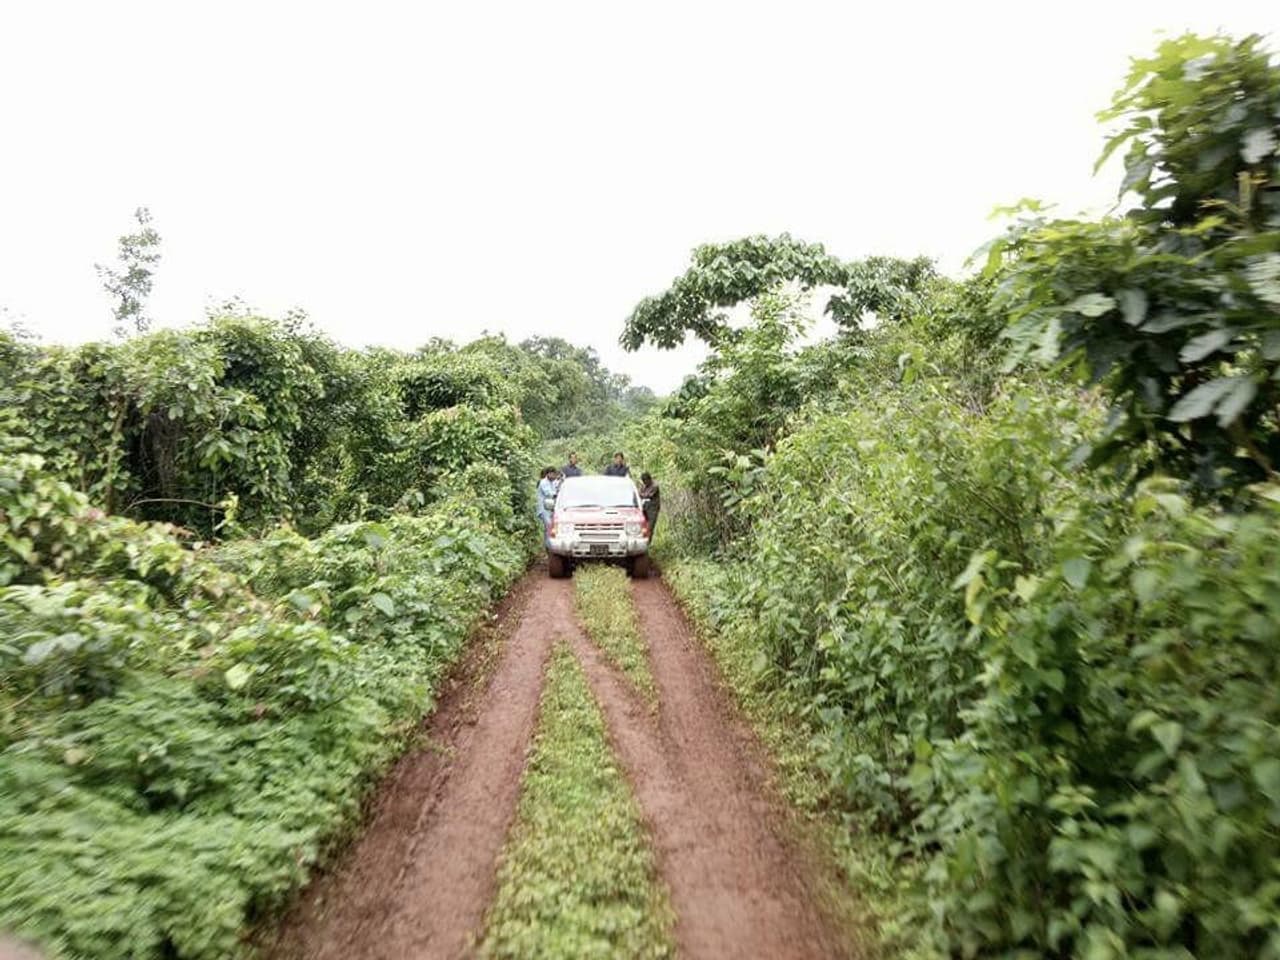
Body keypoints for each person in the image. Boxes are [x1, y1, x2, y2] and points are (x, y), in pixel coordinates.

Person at [536, 467, 558, 543]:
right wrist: (558, 493)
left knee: (551, 527)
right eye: (553, 475)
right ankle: (549, 544)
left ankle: (549, 544)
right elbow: (549, 493)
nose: (555, 476)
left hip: (551, 509)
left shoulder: (554, 482)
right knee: (548, 525)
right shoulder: (543, 482)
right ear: (549, 474)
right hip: (544, 509)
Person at [638, 471, 660, 539]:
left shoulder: (655, 486)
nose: (644, 482)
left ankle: (648, 542)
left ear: (649, 479)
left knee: (650, 527)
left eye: (645, 481)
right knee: (642, 526)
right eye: (643, 481)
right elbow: (640, 494)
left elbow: (649, 495)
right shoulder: (643, 486)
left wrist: (642, 495)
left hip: (653, 509)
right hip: (644, 508)